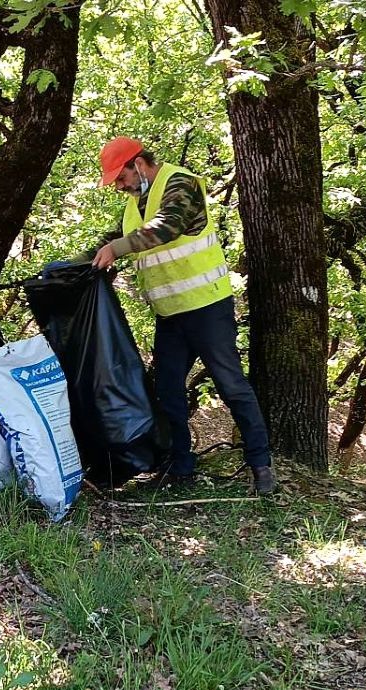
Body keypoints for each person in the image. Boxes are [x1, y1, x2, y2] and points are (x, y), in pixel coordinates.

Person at [84, 136, 275, 495]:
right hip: (170, 314)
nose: (120, 187)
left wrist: (116, 249)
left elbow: (167, 228)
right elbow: (124, 237)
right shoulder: (135, 203)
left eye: (121, 178)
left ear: (139, 164)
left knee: (232, 386)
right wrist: (88, 260)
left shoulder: (180, 183)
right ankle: (180, 466)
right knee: (168, 389)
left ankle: (261, 466)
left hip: (207, 308)